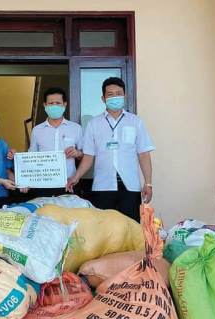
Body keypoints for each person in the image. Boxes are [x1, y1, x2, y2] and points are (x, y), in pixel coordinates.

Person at [66, 77, 154, 222]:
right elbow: (88, 156)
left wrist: (148, 183)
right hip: (103, 186)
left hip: (130, 187)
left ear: (124, 96)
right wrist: (76, 177)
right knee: (104, 227)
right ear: (103, 98)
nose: (115, 97)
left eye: (118, 93)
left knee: (131, 227)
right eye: (110, 94)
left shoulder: (135, 122)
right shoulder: (94, 124)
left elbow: (143, 154)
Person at [27, 87, 84, 197]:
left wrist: (77, 153)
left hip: (69, 183)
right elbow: (31, 157)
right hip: (43, 184)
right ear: (44, 105)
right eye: (51, 103)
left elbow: (84, 155)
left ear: (65, 104)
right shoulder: (37, 130)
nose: (54, 106)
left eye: (58, 103)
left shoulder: (76, 128)